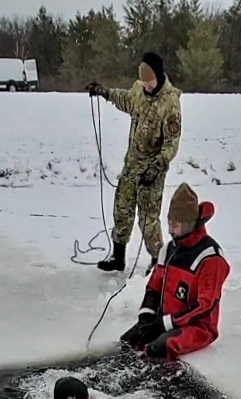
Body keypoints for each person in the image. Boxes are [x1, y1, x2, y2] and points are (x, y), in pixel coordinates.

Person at [86, 52, 182, 276]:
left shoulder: (170, 103)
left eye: (150, 82)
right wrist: (104, 92)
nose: (147, 86)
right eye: (144, 82)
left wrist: (157, 167)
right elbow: (126, 99)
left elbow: (171, 143)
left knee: (148, 220)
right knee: (122, 209)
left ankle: (158, 261)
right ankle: (117, 257)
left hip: (153, 169)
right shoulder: (139, 90)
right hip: (132, 164)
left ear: (158, 76)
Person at [120, 182, 230, 361]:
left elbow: (205, 305)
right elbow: (154, 286)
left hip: (197, 327)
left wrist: (165, 323)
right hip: (165, 319)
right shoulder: (168, 249)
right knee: (128, 342)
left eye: (176, 225)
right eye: (169, 223)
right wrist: (146, 317)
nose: (170, 230)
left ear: (188, 225)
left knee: (159, 350)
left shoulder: (210, 258)